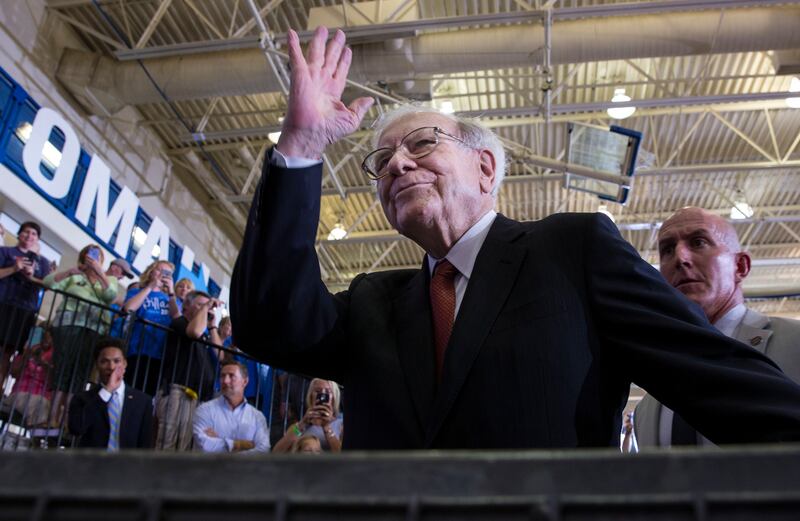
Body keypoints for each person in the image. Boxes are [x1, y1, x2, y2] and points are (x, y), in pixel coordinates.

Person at [231, 27, 800, 450]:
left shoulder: (574, 251)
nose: (397, 165)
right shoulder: (370, 301)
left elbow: (714, 375)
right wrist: (301, 147)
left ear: (485, 167)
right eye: (381, 161)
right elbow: (268, 327)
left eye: (422, 145)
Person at [634, 207, 800, 448]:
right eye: (667, 250)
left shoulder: (795, 344)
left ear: (740, 266)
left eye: (698, 242)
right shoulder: (646, 409)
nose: (681, 258)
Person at [43, 244, 118, 425]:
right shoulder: (74, 275)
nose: (92, 259)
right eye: (89, 255)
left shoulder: (109, 279)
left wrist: (100, 273)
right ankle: (51, 418)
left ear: (101, 261)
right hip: (68, 324)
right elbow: (48, 283)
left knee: (79, 372)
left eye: (97, 256)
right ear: (83, 258)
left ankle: (67, 420)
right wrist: (70, 272)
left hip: (93, 330)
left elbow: (111, 296)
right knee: (63, 368)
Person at [156, 290, 222, 450]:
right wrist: (206, 307)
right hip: (177, 390)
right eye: (200, 304)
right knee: (168, 443)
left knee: (185, 448)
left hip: (197, 396)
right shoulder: (180, 322)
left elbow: (220, 354)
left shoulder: (204, 334)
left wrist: (213, 326)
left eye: (206, 306)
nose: (206, 309)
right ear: (186, 305)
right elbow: (194, 332)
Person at [67, 337, 153, 449]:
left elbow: (144, 445)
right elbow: (76, 428)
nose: (111, 367)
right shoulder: (82, 398)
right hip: (91, 465)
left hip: (126, 465)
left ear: (125, 363)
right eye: (104, 362)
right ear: (97, 365)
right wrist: (107, 391)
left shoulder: (143, 401)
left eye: (117, 361)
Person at [0, 221, 51, 387]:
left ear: (38, 240)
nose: (29, 236)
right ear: (19, 234)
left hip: (24, 310)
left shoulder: (42, 262)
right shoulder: (6, 252)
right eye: (26, 232)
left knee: (9, 351)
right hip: (3, 302)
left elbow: (47, 285)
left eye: (34, 234)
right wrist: (14, 268)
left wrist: (31, 276)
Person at [192, 360, 270, 453]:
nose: (225, 381)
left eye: (231, 376)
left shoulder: (257, 417)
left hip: (242, 467)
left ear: (245, 381)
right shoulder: (204, 410)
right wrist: (242, 445)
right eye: (222, 376)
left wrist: (219, 443)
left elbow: (263, 450)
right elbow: (204, 445)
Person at [122, 260, 176, 396]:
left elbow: (177, 318)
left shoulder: (171, 299)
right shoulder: (137, 291)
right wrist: (150, 287)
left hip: (160, 355)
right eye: (160, 270)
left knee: (147, 397)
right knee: (130, 392)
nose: (162, 275)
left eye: (167, 273)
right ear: (151, 271)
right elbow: (129, 308)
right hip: (137, 350)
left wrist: (171, 293)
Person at [272, 378, 343, 453]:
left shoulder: (341, 425)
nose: (322, 395)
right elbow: (277, 452)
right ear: (311, 395)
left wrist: (327, 428)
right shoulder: (300, 427)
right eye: (318, 391)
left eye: (328, 392)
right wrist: (302, 424)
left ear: (334, 397)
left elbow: (344, 457)